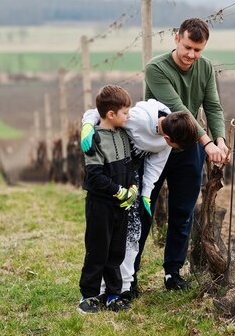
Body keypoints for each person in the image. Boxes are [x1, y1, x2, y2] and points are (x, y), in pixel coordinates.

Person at [139, 17, 228, 291]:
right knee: (143, 210)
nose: (191, 55)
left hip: (189, 150)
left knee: (183, 212)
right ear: (176, 39)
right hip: (157, 146)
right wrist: (207, 142)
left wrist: (220, 140)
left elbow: (212, 106)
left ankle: (172, 274)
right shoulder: (156, 68)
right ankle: (127, 274)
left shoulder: (205, 67)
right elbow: (179, 108)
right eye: (188, 47)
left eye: (198, 50)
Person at [80, 99, 198, 300]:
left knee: (131, 233)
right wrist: (88, 125)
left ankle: (124, 286)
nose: (171, 148)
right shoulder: (137, 118)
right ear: (168, 137)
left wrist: (146, 194)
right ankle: (98, 289)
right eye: (173, 145)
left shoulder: (168, 137)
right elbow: (101, 111)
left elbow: (155, 165)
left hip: (133, 179)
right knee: (105, 236)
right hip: (113, 170)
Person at [77, 85, 138, 314]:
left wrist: (131, 188)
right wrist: (118, 191)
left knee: (116, 251)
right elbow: (94, 176)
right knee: (97, 250)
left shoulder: (123, 135)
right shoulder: (94, 139)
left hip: (120, 205)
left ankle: (113, 294)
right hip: (100, 204)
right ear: (111, 114)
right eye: (124, 112)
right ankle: (89, 296)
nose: (128, 116)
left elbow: (130, 166)